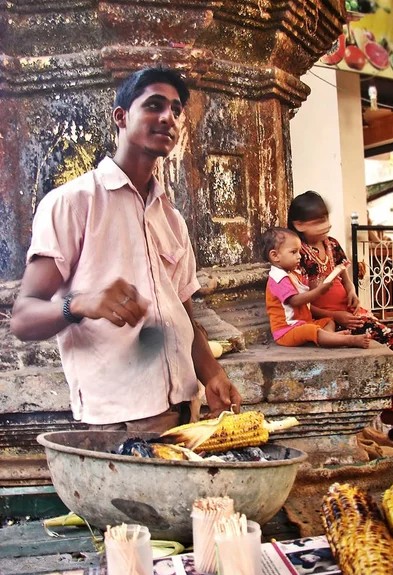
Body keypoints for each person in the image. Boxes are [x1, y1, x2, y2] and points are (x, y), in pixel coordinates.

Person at [10, 66, 241, 432]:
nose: (168, 117)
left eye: (176, 110)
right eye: (154, 105)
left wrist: (212, 373)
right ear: (121, 116)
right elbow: (22, 318)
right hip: (121, 420)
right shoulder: (72, 203)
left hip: (185, 410)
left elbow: (183, 317)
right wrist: (80, 304)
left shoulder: (172, 219)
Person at [286, 191, 393, 445]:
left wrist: (351, 292)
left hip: (352, 313)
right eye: (317, 222)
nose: (325, 226)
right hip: (332, 321)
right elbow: (300, 301)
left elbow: (344, 276)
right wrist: (335, 315)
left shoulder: (332, 244)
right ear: (299, 225)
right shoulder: (297, 254)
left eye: (325, 219)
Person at [262, 227, 370, 349]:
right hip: (287, 330)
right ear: (275, 256)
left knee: (328, 321)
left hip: (304, 323)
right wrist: (319, 291)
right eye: (293, 252)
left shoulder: (292, 273)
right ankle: (348, 340)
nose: (299, 257)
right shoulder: (278, 278)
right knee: (310, 330)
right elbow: (294, 300)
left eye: (299, 252)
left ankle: (331, 338)